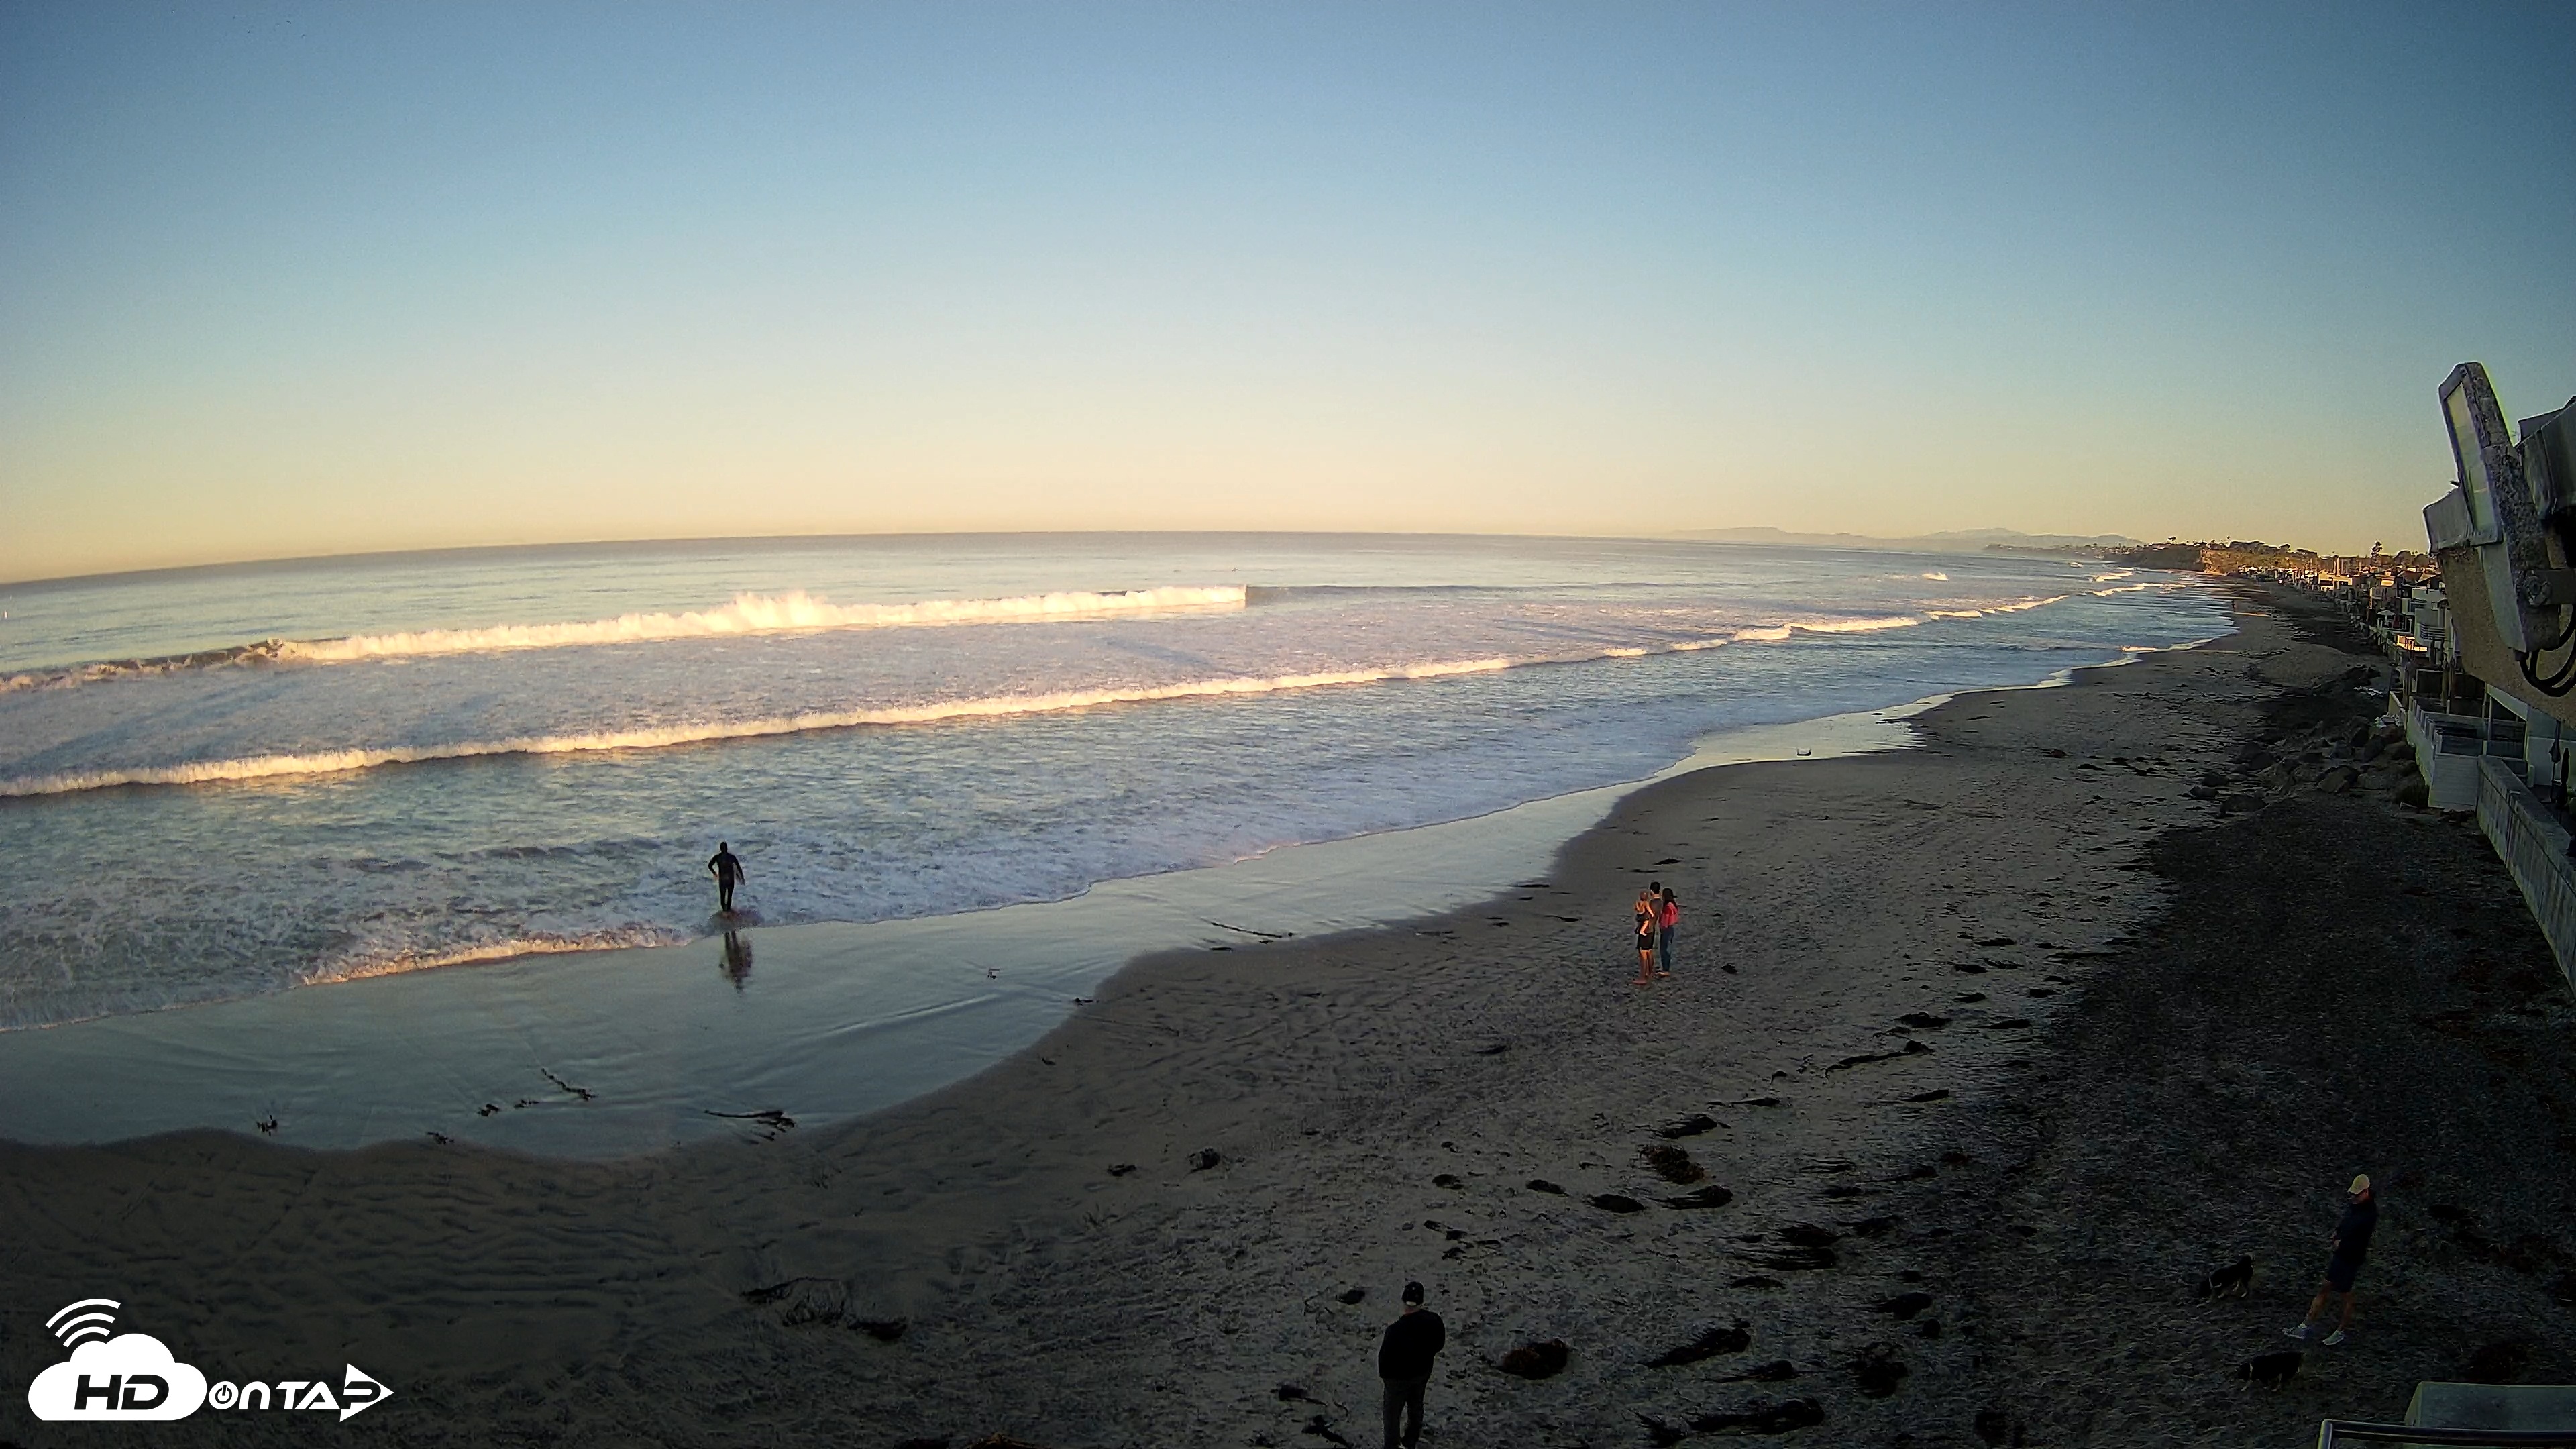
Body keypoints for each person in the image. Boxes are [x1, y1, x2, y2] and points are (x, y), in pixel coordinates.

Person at [2286, 1174, 2377, 1346]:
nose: (2354, 1197)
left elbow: (2360, 1241)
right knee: (2325, 1287)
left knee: (2346, 1295)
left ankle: (2340, 1331)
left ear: (2366, 1192)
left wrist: (2340, 1244)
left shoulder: (2370, 1215)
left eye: (2357, 1195)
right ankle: (2305, 1325)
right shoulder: (2356, 1206)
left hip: (2351, 1259)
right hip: (2341, 1255)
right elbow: (2346, 1221)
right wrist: (2337, 1232)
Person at [1377, 1280, 1445, 1449]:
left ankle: (1392, 1446)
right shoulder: (1434, 1321)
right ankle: (1410, 1441)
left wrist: (1388, 1379)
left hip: (1397, 1380)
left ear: (1403, 1301)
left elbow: (1384, 1362)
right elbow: (1439, 1344)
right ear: (1421, 1301)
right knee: (1416, 1407)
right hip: (1422, 1373)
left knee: (1392, 1415)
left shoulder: (1394, 1330)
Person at [707, 841, 746, 914]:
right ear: (727, 848)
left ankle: (724, 912)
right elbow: (739, 868)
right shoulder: (732, 857)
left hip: (722, 880)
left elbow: (709, 866)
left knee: (723, 896)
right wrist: (742, 878)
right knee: (729, 897)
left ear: (720, 849)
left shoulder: (717, 857)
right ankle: (728, 911)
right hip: (730, 879)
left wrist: (715, 874)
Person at [1633, 892, 1660, 985]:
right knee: (1649, 952)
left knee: (1643, 955)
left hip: (1645, 933)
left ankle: (1643, 977)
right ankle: (1650, 973)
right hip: (1651, 931)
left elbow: (1638, 911)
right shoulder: (1651, 904)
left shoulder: (1642, 905)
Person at [1656, 886, 1680, 978]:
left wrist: (1661, 927)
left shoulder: (1667, 907)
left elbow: (1665, 920)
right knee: (1668, 949)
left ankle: (1665, 969)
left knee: (1664, 950)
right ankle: (1666, 968)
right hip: (1671, 928)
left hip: (1666, 929)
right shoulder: (1673, 905)